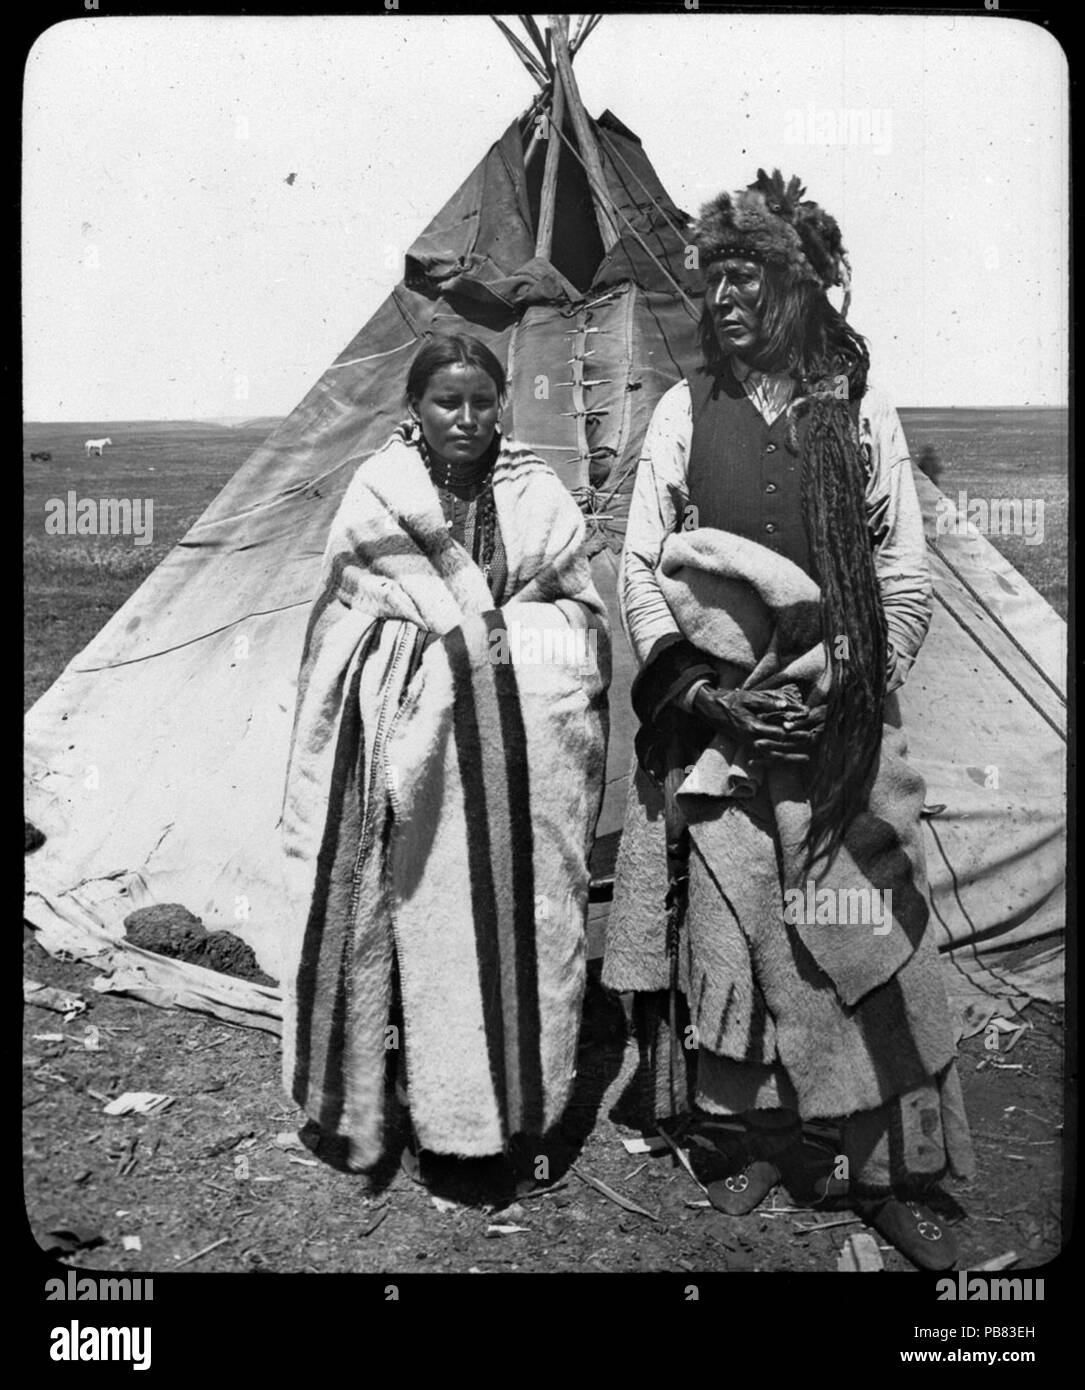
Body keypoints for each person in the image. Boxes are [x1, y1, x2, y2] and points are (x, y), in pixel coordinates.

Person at [603, 170, 973, 1269]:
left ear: (801, 285)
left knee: (864, 941)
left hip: (840, 728)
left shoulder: (858, 412)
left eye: (746, 272)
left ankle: (881, 1172)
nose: (720, 294)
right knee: (736, 941)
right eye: (711, 273)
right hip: (722, 734)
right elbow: (635, 564)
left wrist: (844, 683)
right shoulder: (682, 412)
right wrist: (702, 693)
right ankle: (761, 1137)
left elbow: (902, 569)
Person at [280, 333, 609, 1194]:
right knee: (406, 923)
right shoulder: (380, 494)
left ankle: (501, 1117)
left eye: (482, 401)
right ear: (414, 411)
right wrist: (449, 653)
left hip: (516, 763)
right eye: (446, 402)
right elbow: (348, 622)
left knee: (517, 928)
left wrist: (490, 644)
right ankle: (407, 1104)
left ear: (503, 404)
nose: (467, 417)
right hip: (408, 749)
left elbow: (578, 616)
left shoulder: (536, 494)